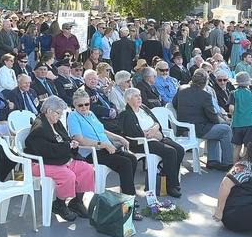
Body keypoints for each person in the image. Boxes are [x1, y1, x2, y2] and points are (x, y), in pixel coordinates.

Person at [67, 88, 143, 220]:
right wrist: (103, 145)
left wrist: (118, 138)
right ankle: (128, 204)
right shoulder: (73, 117)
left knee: (131, 158)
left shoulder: (90, 114)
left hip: (106, 148)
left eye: (87, 104)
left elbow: (103, 131)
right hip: (91, 152)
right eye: (80, 105)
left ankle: (126, 196)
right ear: (74, 105)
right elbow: (79, 139)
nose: (84, 107)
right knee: (124, 163)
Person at [24, 96, 95, 221]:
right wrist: (67, 146)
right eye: (58, 113)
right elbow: (45, 151)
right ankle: (59, 204)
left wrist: (72, 143)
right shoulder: (39, 128)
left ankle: (76, 202)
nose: (60, 116)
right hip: (40, 164)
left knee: (87, 169)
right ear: (49, 111)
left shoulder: (55, 123)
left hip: (60, 159)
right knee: (69, 176)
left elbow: (65, 139)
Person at [119, 88, 184, 197]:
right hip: (141, 143)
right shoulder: (125, 114)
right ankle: (171, 186)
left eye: (139, 95)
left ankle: (167, 176)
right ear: (128, 99)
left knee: (180, 150)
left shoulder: (143, 108)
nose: (140, 98)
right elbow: (132, 133)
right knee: (170, 152)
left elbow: (157, 122)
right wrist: (148, 134)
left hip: (155, 136)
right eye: (136, 96)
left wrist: (155, 129)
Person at [173, 69, 233, 170]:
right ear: (206, 82)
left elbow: (174, 104)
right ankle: (228, 163)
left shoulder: (181, 89)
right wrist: (222, 122)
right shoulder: (206, 95)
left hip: (183, 127)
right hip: (198, 128)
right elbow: (212, 116)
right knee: (225, 130)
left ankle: (213, 161)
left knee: (217, 128)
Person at [229, 72, 252, 163]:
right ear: (248, 83)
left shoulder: (233, 93)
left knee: (237, 146)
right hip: (250, 122)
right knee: (247, 146)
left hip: (237, 123)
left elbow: (231, 108)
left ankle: (234, 166)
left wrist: (235, 114)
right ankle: (244, 165)